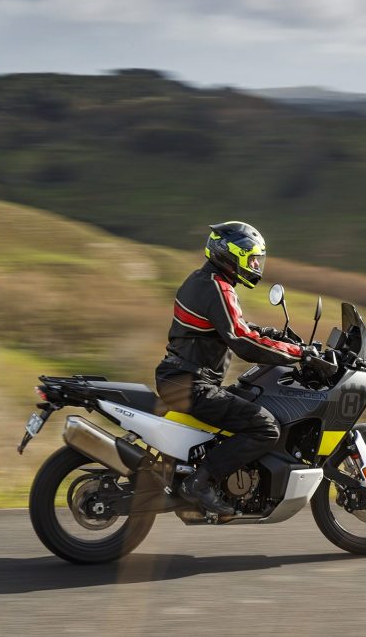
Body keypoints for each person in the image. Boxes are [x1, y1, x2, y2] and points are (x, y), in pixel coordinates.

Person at [154, 221, 312, 515]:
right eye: (252, 258)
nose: (255, 265)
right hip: (194, 385)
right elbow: (242, 342)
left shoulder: (201, 280)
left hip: (181, 378)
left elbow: (231, 327)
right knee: (265, 427)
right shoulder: (218, 288)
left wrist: (270, 333)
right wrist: (298, 354)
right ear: (232, 254)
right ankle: (200, 484)